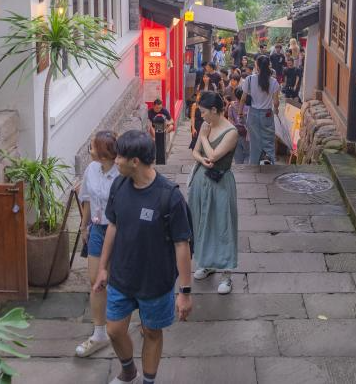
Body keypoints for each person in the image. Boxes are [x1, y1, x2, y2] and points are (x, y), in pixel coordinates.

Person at [93, 130, 193, 384]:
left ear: (135, 161)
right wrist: (103, 267)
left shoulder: (169, 196)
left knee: (151, 332)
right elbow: (113, 225)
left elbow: (182, 245)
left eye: (120, 157)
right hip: (122, 276)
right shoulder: (119, 185)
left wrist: (184, 292)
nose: (116, 161)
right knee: (114, 330)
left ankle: (148, 380)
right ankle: (129, 372)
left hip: (155, 282)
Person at [75, 131, 121, 358]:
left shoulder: (121, 174)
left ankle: (140, 321)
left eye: (92, 148)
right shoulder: (91, 169)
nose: (89, 150)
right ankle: (100, 333)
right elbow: (87, 200)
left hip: (119, 231)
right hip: (97, 230)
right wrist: (84, 227)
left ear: (103, 155)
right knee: (95, 281)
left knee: (123, 281)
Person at [188, 92, 240, 295]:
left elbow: (214, 155)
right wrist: (201, 160)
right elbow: (196, 152)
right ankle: (207, 263)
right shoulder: (206, 125)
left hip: (221, 184)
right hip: (202, 180)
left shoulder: (231, 132)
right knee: (202, 222)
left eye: (203, 112)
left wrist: (203, 137)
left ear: (214, 110)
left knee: (223, 225)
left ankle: (227, 275)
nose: (201, 116)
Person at [244, 54, 281, 165]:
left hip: (253, 113)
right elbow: (276, 102)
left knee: (254, 142)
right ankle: (270, 162)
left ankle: (254, 165)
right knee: (269, 141)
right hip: (267, 113)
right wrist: (276, 109)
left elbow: (243, 99)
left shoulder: (249, 79)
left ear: (257, 66)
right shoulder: (274, 82)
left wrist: (240, 113)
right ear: (269, 65)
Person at [146, 99, 173, 166]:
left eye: (160, 108)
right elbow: (149, 123)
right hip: (154, 128)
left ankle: (162, 136)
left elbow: (172, 120)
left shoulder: (164, 110)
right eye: (157, 108)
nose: (159, 109)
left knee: (171, 126)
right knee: (151, 128)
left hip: (163, 127)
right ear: (153, 106)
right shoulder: (150, 112)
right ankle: (157, 138)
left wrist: (168, 123)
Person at [227, 87, 250, 164]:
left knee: (238, 157)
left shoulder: (231, 106)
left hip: (236, 133)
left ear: (235, 96)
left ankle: (239, 170)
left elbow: (230, 120)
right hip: (247, 133)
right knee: (248, 154)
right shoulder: (249, 107)